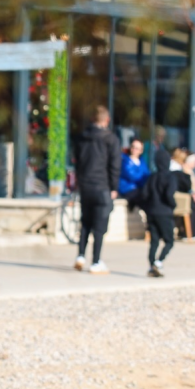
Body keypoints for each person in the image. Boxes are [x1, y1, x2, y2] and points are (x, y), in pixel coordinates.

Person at [73, 105, 120, 275]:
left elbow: (77, 161)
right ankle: (96, 261)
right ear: (107, 120)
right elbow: (115, 165)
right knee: (99, 227)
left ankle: (80, 256)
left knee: (85, 222)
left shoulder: (82, 138)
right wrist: (114, 188)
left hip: (86, 185)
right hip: (102, 186)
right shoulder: (111, 139)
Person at [138, 148, 177, 277]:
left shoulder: (151, 177)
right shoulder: (170, 177)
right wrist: (173, 205)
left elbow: (144, 195)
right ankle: (159, 262)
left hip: (151, 212)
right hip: (164, 213)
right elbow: (169, 195)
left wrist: (148, 207)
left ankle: (151, 266)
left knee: (154, 241)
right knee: (169, 241)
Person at [173, 149, 195, 238]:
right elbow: (187, 188)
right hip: (185, 198)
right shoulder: (183, 171)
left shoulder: (190, 171)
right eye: (193, 161)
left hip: (189, 197)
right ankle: (192, 233)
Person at [118, 138, 150, 208]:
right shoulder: (124, 160)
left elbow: (147, 175)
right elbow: (133, 176)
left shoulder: (142, 161)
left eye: (137, 148)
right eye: (133, 147)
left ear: (141, 151)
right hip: (127, 189)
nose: (134, 149)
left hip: (139, 189)